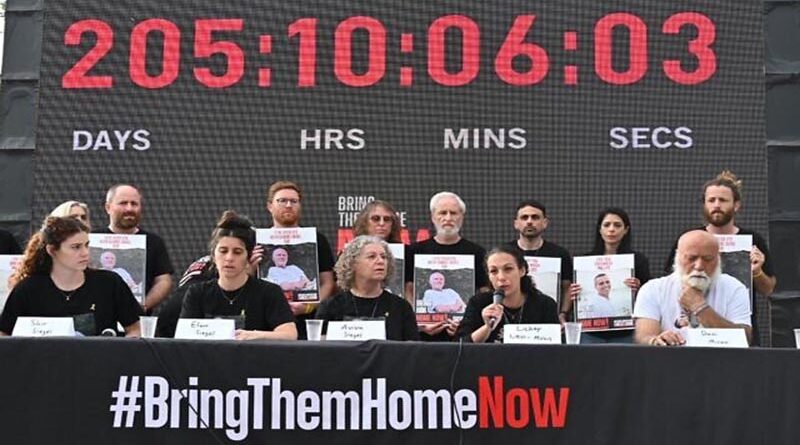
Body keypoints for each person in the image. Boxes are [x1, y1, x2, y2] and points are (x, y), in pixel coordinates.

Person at [663, 171, 774, 345]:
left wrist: (757, 272)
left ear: (736, 205)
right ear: (704, 204)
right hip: (692, 330)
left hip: (739, 325)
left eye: (723, 200)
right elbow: (671, 284)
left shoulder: (753, 240)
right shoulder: (690, 239)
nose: (716, 205)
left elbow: (769, 289)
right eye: (711, 200)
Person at [0, 217, 142, 336]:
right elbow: (4, 334)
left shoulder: (109, 283)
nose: (85, 252)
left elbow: (135, 328)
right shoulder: (28, 289)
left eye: (87, 245)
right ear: (52, 250)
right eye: (76, 247)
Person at [180, 211, 297, 340]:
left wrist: (255, 335)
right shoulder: (197, 293)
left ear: (248, 256)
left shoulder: (269, 292)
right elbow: (185, 338)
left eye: (237, 252)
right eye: (223, 251)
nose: (229, 258)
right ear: (213, 255)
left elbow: (290, 334)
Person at [634, 230, 752, 346]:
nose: (699, 266)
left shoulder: (734, 287)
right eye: (691, 258)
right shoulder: (653, 289)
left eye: (708, 259)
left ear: (718, 259)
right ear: (677, 256)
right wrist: (656, 340)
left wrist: (700, 307)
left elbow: (744, 338)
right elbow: (644, 336)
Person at [405, 191, 490, 339]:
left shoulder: (477, 252)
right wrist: (419, 323)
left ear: (461, 217)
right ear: (433, 217)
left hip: (465, 334)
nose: (448, 218)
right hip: (425, 333)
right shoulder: (415, 251)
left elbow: (483, 292)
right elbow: (409, 291)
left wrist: (467, 323)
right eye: (442, 213)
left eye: (454, 213)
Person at [568, 207, 651, 343]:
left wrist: (639, 289)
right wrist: (574, 294)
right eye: (606, 225)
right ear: (600, 229)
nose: (611, 229)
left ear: (626, 230)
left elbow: (649, 297)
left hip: (626, 332)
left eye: (617, 225)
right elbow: (576, 302)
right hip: (591, 333)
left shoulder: (638, 260)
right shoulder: (585, 261)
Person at [316, 235, 418, 341]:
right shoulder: (331, 306)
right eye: (371, 256)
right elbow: (321, 349)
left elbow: (413, 351)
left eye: (383, 257)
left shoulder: (400, 307)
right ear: (353, 264)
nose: (380, 261)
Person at [94, 184, 174, 312]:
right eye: (123, 203)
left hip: (138, 322)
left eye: (134, 204)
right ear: (108, 207)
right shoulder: (91, 239)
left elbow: (163, 281)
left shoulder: (154, 242)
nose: (129, 208)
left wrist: (143, 306)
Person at [456, 246, 559, 343]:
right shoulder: (478, 303)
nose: (501, 277)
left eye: (508, 269)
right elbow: (459, 345)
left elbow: (555, 347)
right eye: (494, 271)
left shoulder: (545, 305)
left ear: (522, 271)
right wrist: (487, 327)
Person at [505, 200, 573, 323]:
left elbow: (567, 288)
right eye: (524, 217)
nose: (529, 221)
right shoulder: (505, 253)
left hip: (548, 318)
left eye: (535, 217)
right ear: (516, 223)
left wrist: (563, 314)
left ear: (545, 223)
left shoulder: (559, 253)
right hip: (511, 318)